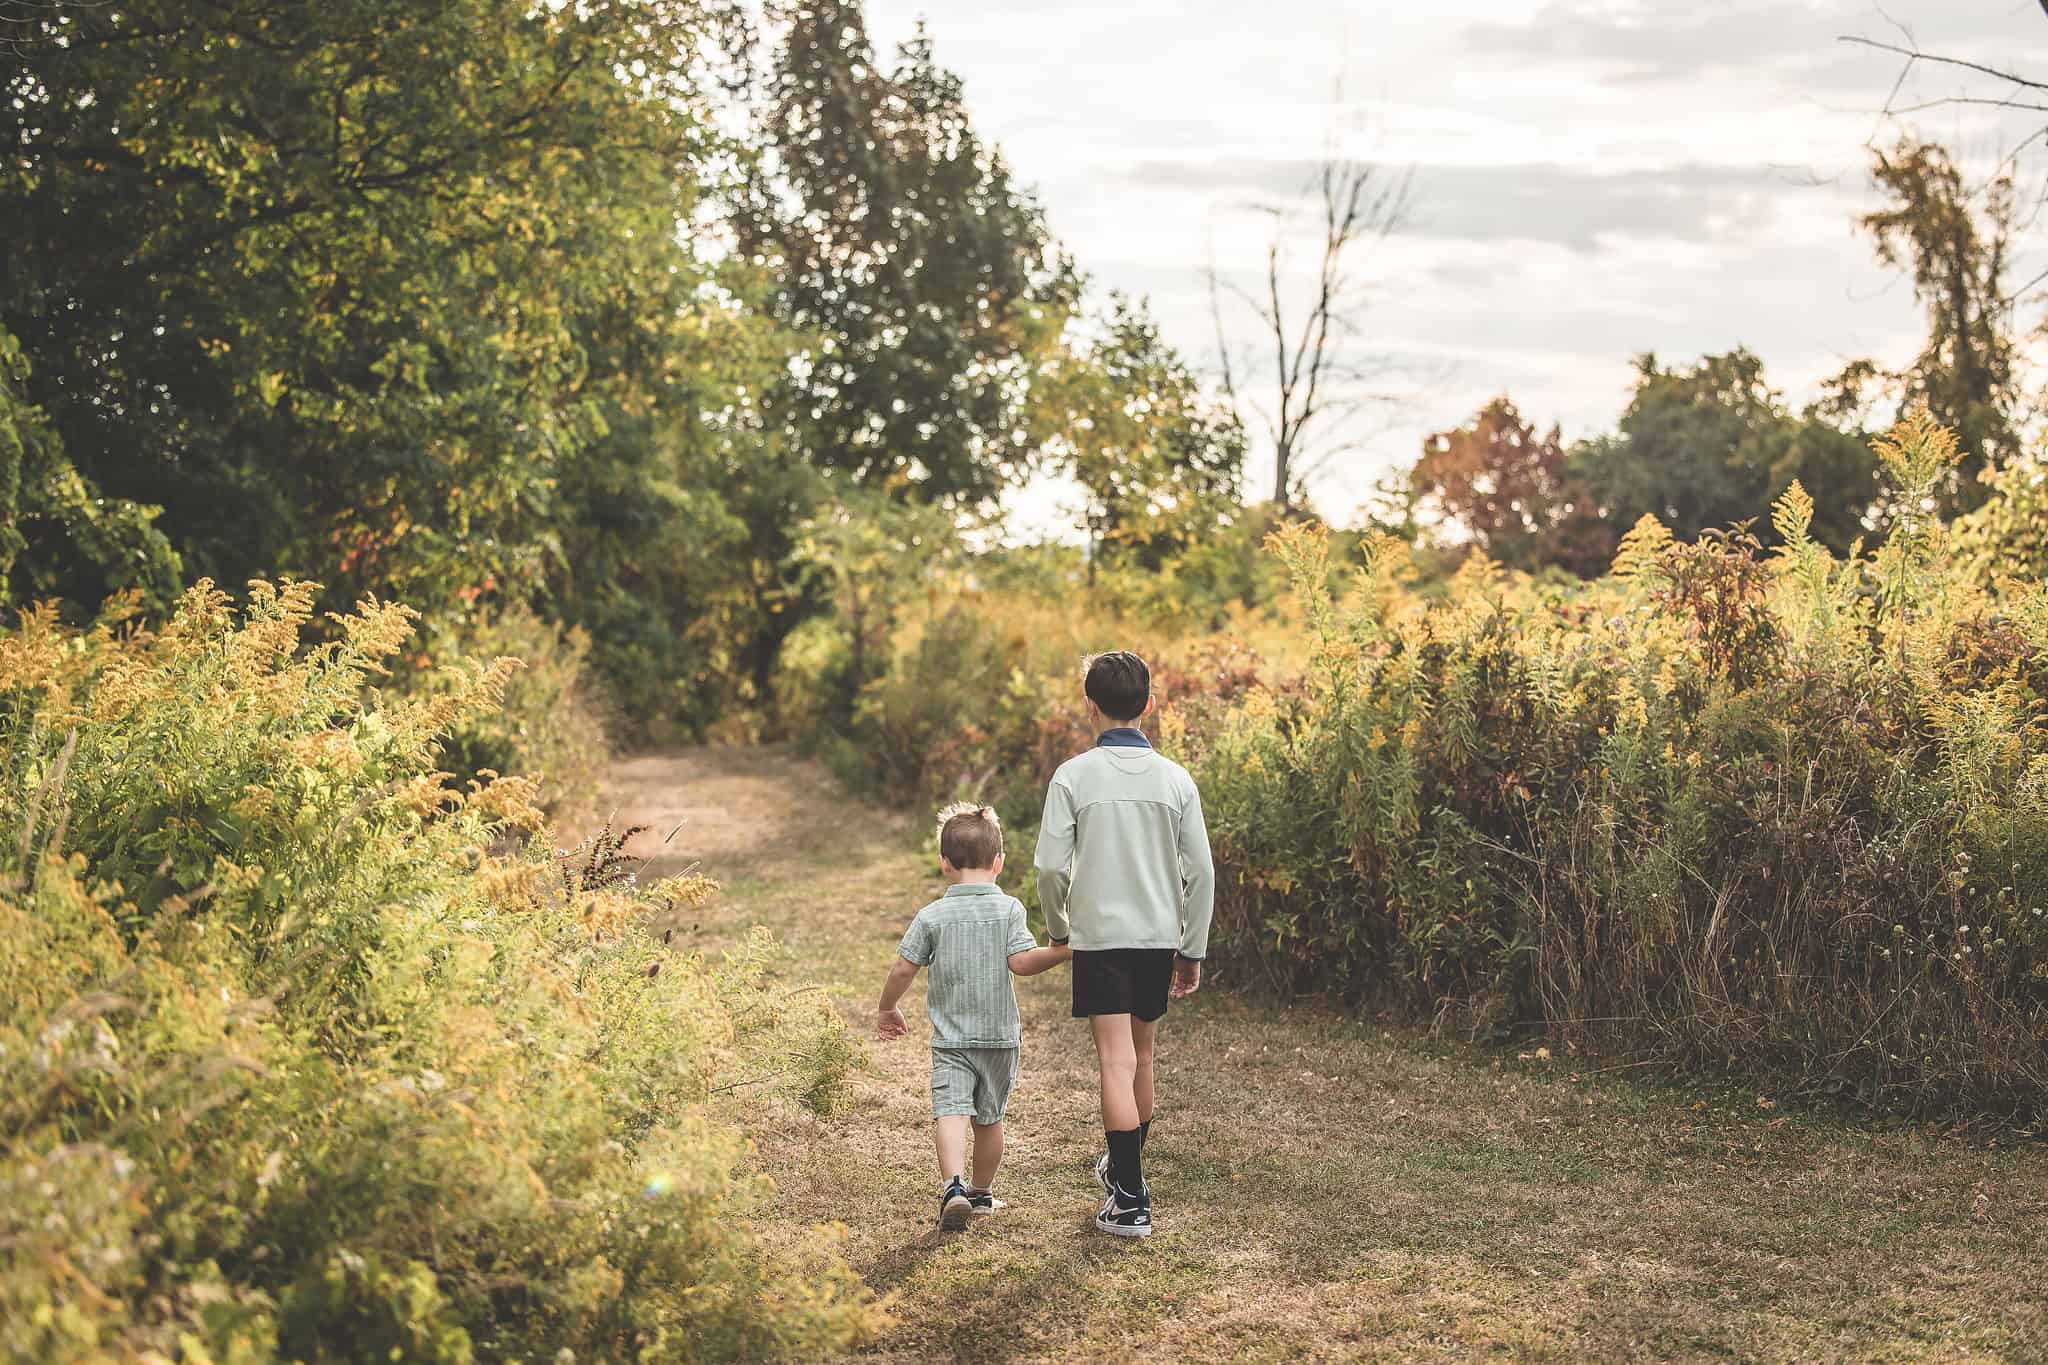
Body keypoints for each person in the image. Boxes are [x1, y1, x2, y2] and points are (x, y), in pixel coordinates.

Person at [1034, 650, 1215, 1238]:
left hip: (1100, 938)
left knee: (1115, 1060)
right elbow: (1202, 874)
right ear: (1150, 705)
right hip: (1158, 936)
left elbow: (1050, 867)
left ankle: (1131, 1199)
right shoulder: (1175, 779)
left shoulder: (1073, 776)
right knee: (1143, 1056)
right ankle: (1122, 1166)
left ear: (1090, 706)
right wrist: (1191, 949)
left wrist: (1060, 927)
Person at [877, 803, 1071, 1230]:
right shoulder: (1010, 910)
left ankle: (953, 1187)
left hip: (952, 1042)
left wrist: (887, 1006)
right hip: (1000, 1038)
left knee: (949, 1111)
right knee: (989, 1119)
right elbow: (1021, 962)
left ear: (944, 864)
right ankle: (981, 1195)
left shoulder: (932, 916)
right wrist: (1062, 951)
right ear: (999, 862)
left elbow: (903, 968)